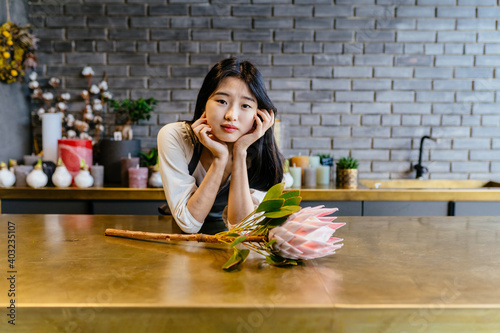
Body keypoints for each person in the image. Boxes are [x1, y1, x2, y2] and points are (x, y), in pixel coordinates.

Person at [157, 58, 284, 234]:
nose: (231, 116)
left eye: (245, 105)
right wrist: (220, 158)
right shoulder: (176, 137)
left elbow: (242, 230)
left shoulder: (260, 154)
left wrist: (240, 152)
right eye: (222, 101)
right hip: (182, 239)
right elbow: (188, 224)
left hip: (229, 243)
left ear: (259, 114)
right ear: (204, 103)